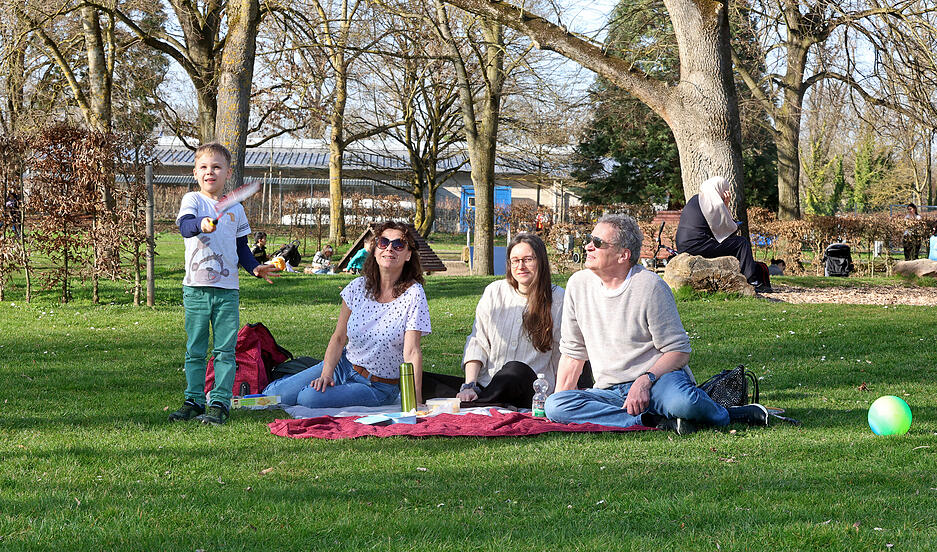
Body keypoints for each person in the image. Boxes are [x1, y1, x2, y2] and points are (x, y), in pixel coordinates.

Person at [544, 213, 769, 434]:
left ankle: (728, 413)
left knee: (684, 403)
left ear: (623, 255)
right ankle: (653, 419)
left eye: (598, 243)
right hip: (611, 391)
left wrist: (645, 380)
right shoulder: (578, 284)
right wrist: (558, 410)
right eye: (589, 240)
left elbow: (679, 352)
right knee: (555, 405)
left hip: (658, 381)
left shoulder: (650, 287)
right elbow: (573, 353)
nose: (588, 247)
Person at [264, 221, 431, 408]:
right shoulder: (357, 287)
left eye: (398, 245)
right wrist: (326, 374)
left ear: (408, 255)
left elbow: (412, 352)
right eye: (383, 242)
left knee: (308, 398)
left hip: (377, 386)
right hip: (343, 365)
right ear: (375, 250)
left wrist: (415, 401)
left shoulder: (414, 294)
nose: (390, 248)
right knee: (272, 396)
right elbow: (338, 337)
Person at [169, 143, 278, 426]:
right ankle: (193, 399)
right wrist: (202, 224)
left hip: (227, 291)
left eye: (216, 167)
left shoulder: (236, 210)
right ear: (195, 172)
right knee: (195, 349)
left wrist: (255, 268)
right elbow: (185, 227)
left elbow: (241, 248)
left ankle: (219, 402)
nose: (210, 172)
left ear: (227, 173)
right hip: (195, 289)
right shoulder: (192, 200)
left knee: (225, 351)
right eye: (204, 167)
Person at [422, 232, 565, 409]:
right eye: (515, 260)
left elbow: (563, 352)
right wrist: (470, 386)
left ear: (541, 261)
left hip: (530, 388)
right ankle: (482, 401)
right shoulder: (494, 292)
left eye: (528, 259)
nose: (521, 266)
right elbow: (478, 341)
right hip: (487, 386)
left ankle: (472, 405)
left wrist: (559, 397)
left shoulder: (558, 298)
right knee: (421, 381)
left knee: (514, 370)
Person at [676, 176, 770, 293]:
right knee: (741, 243)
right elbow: (729, 229)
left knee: (734, 244)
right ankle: (752, 280)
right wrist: (726, 203)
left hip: (683, 245)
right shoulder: (714, 203)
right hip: (697, 246)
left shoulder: (696, 199)